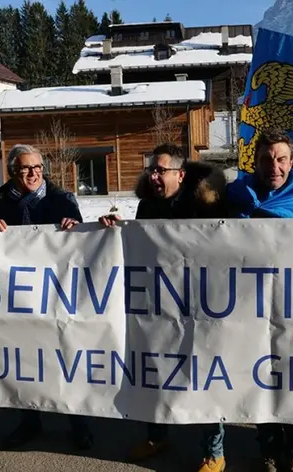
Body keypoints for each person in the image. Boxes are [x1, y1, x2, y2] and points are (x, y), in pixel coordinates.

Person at [101, 144, 229, 472]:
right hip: (158, 303)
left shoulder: (205, 206)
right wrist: (113, 232)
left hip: (200, 304)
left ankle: (214, 451)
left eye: (161, 170)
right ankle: (156, 435)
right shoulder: (146, 206)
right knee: (155, 369)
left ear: (180, 175)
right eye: (151, 171)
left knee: (202, 374)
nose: (154, 176)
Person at [0, 144, 93, 450]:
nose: (32, 174)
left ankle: (79, 421)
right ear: (12, 171)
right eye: (24, 168)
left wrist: (76, 228)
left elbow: (82, 243)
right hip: (18, 294)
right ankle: (29, 420)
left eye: (37, 168)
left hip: (57, 291)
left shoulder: (62, 199)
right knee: (26, 359)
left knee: (65, 353)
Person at [226, 128, 293, 472]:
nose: (273, 166)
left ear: (292, 162)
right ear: (255, 161)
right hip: (249, 306)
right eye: (266, 159)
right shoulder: (233, 196)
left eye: (281, 159)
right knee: (261, 379)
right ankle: (267, 447)